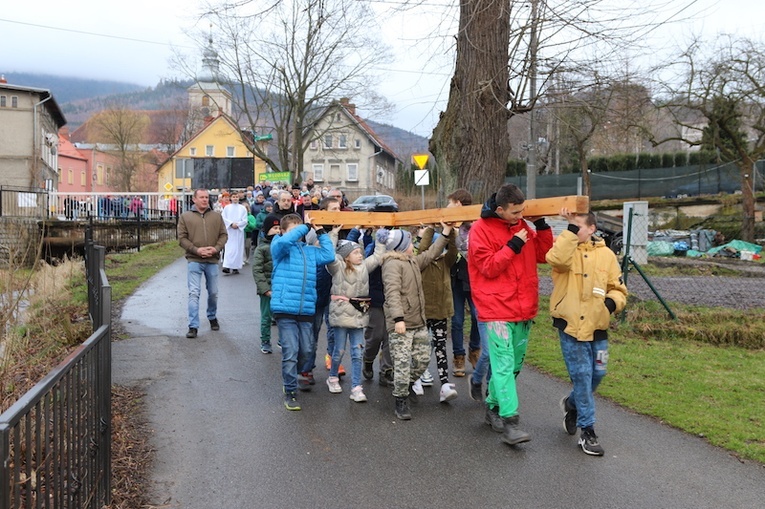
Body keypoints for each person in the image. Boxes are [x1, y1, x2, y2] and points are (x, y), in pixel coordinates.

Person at [468, 183, 553, 445]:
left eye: (523, 211)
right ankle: (510, 422)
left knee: (513, 366)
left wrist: (542, 227)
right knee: (503, 365)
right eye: (516, 212)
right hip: (495, 309)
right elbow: (488, 267)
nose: (520, 216)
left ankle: (492, 406)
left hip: (523, 307)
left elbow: (543, 254)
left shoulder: (522, 226)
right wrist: (513, 245)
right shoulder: (479, 230)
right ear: (500, 209)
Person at [546, 208, 627, 456]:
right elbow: (555, 260)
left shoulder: (607, 255)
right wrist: (569, 230)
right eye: (570, 226)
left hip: (597, 326)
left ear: (592, 228)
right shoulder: (565, 249)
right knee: (582, 376)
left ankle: (572, 405)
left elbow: (618, 288)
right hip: (570, 326)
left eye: (578, 225)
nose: (573, 229)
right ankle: (588, 432)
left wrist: (609, 306)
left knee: (597, 374)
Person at [379, 223, 453, 420]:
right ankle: (400, 399)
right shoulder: (392, 265)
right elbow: (392, 293)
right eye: (410, 242)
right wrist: (398, 319)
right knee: (402, 363)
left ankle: (403, 384)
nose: (413, 244)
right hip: (401, 323)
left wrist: (445, 233)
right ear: (402, 246)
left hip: (418, 321)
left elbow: (430, 254)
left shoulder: (411, 261)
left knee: (422, 360)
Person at [271, 213, 335, 411]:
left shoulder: (310, 251)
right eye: (292, 230)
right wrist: (305, 226)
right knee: (290, 351)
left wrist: (321, 231)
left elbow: (329, 255)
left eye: (300, 230)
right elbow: (286, 241)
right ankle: (290, 390)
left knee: (307, 350)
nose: (297, 233)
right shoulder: (279, 248)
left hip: (306, 309)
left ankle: (294, 373)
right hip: (285, 309)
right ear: (282, 232)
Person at [325, 236, 386, 402]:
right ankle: (332, 377)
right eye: (356, 252)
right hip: (341, 314)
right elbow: (329, 255)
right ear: (346, 256)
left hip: (359, 315)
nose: (360, 255)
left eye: (361, 252)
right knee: (339, 350)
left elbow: (378, 257)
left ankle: (356, 387)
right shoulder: (338, 267)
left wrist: (380, 239)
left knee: (357, 351)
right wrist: (333, 235)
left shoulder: (365, 267)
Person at [177, 189, 228, 339]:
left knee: (213, 292)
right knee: (194, 293)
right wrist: (196, 250)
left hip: (212, 260)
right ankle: (193, 326)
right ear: (194, 199)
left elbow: (224, 235)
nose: (205, 200)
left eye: (207, 197)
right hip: (194, 260)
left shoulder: (216, 216)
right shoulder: (185, 217)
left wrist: (216, 248)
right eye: (201, 197)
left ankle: (212, 316)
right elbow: (182, 238)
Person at [416, 226, 459, 403]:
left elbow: (454, 249)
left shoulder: (446, 262)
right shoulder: (421, 260)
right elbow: (423, 248)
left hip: (440, 311)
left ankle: (444, 384)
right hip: (423, 313)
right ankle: (416, 377)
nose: (439, 250)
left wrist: (451, 231)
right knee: (420, 347)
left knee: (441, 348)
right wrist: (431, 228)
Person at [446, 189, 481, 377]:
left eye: (450, 203)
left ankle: (474, 350)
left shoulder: (475, 224)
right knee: (457, 320)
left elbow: (471, 247)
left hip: (474, 279)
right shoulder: (449, 225)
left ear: (458, 203)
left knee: (477, 316)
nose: (448, 208)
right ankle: (458, 356)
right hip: (456, 279)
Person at [252, 214, 282, 354]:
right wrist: (265, 289)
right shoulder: (262, 248)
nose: (277, 231)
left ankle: (282, 339)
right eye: (274, 228)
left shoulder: (282, 246)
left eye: (279, 228)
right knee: (266, 317)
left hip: (281, 288)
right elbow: (257, 270)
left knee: (282, 316)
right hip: (267, 289)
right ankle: (265, 341)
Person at [221, 193, 249, 274]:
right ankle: (227, 266)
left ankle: (236, 267)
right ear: (231, 198)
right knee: (229, 249)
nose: (235, 198)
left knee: (238, 249)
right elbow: (223, 218)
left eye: (236, 197)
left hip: (238, 231)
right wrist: (231, 224)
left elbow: (245, 219)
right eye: (233, 197)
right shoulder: (227, 208)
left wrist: (238, 224)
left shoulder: (242, 208)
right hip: (230, 231)